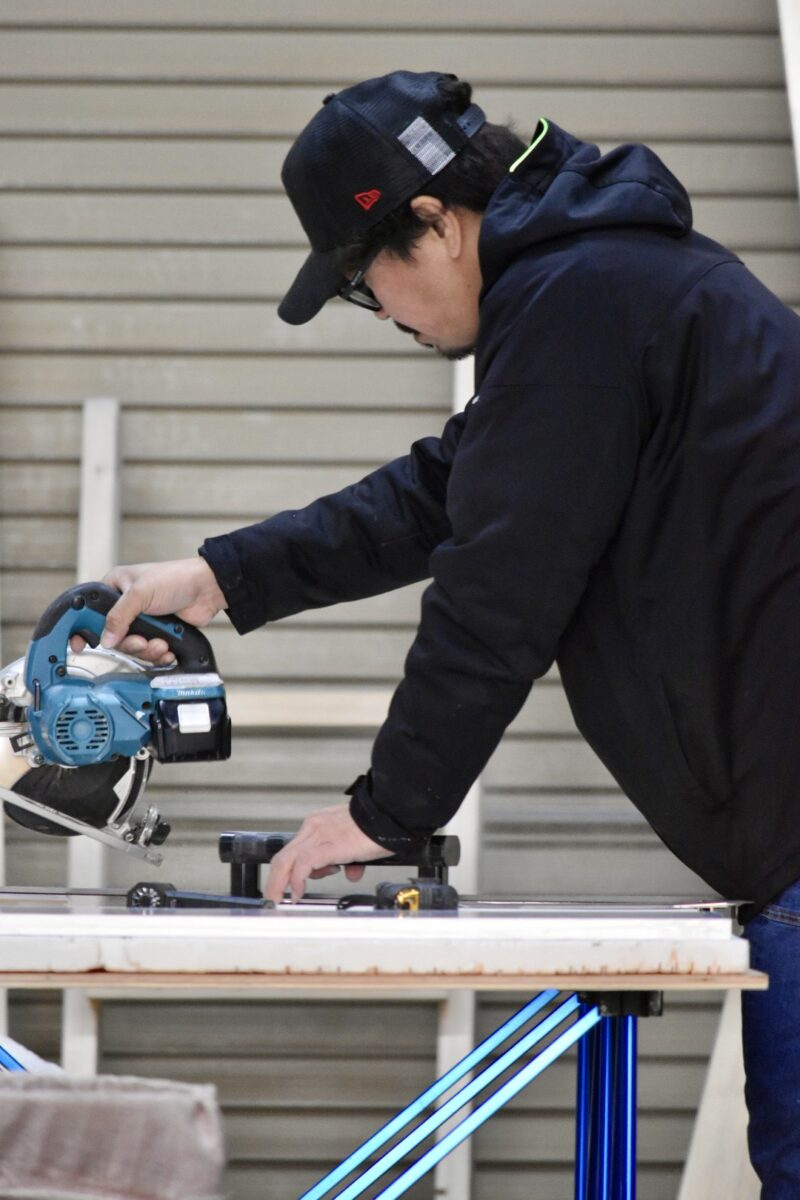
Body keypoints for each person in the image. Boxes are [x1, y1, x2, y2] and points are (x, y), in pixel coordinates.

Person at [91, 71, 800, 1194]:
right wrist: (220, 575)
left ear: (431, 225)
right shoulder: (600, 288)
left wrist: (382, 813)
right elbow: (446, 493)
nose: (392, 323)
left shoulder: (584, 302)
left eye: (369, 290)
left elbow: (494, 593)